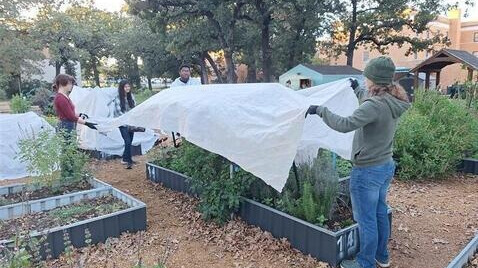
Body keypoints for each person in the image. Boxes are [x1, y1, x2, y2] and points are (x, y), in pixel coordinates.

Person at [306, 56, 410, 268]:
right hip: (385, 166)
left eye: (366, 77)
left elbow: (345, 124)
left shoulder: (375, 104)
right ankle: (382, 256)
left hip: (368, 171)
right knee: (380, 212)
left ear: (375, 79)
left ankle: (365, 263)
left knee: (366, 220)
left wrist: (320, 110)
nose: (364, 80)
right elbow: (372, 104)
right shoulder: (393, 99)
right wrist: (356, 90)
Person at [53, 74, 97, 179]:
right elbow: (70, 116)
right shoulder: (60, 98)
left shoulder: (65, 97)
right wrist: (86, 123)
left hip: (69, 125)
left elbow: (71, 112)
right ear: (63, 84)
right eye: (70, 83)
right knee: (67, 150)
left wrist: (80, 114)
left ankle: (71, 172)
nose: (71, 86)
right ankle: (67, 174)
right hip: (65, 126)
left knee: (71, 149)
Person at [113, 80, 144, 169]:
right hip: (122, 123)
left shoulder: (131, 96)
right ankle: (128, 160)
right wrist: (127, 119)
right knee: (127, 141)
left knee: (130, 141)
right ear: (121, 88)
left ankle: (125, 158)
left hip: (131, 122)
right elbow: (118, 112)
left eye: (128, 86)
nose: (127, 88)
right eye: (125, 87)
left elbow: (134, 108)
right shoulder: (118, 98)